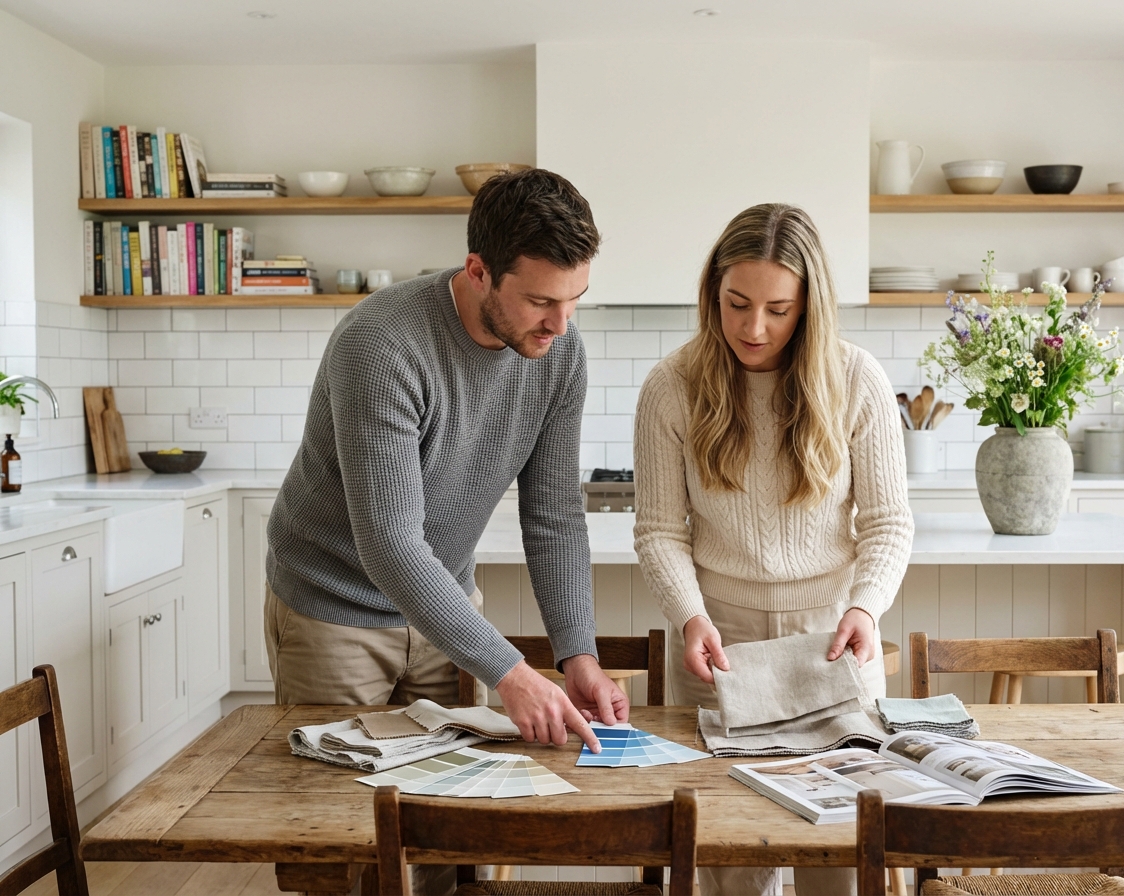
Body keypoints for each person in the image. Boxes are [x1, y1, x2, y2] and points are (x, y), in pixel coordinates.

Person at [265, 166, 629, 751]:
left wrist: (577, 653)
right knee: (330, 814)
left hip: (447, 607)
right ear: (479, 271)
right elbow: (390, 544)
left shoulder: (559, 352)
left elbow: (554, 513)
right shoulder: (382, 345)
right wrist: (511, 673)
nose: (561, 325)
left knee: (450, 802)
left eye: (574, 300)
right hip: (334, 612)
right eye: (540, 301)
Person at [633, 203, 914, 896]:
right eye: (736, 304)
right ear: (713, 294)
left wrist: (867, 609)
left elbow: (888, 523)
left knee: (843, 861)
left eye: (778, 309)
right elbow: (660, 530)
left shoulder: (856, 380)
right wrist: (690, 616)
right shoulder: (672, 387)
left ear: (810, 308)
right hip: (718, 647)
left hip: (831, 644)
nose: (753, 328)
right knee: (733, 862)